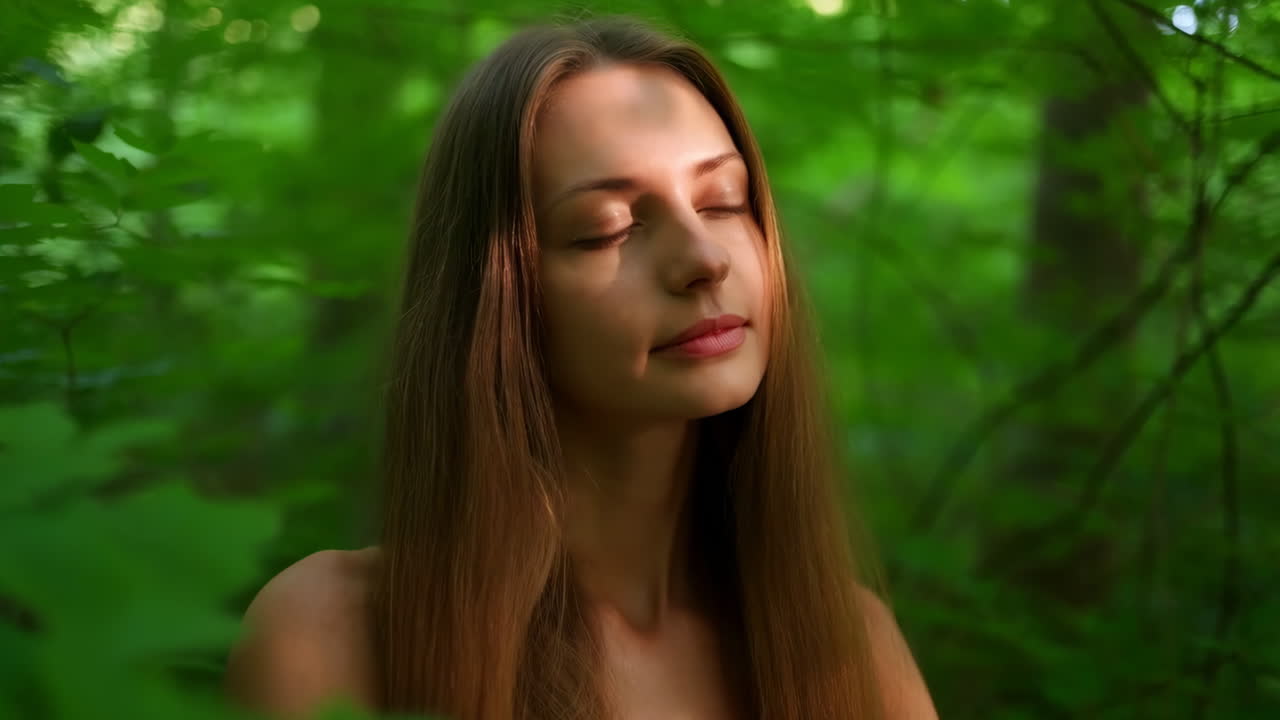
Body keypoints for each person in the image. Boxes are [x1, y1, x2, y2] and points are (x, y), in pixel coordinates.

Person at [224, 14, 938, 720]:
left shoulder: (852, 647)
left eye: (724, 202)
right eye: (610, 228)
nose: (703, 259)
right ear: (497, 298)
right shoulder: (332, 635)